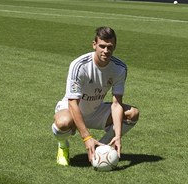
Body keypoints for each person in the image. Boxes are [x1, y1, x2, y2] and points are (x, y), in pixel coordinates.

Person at [51, 26, 140, 166]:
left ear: (114, 46)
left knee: (132, 113)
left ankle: (101, 147)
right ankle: (63, 146)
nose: (106, 51)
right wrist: (86, 137)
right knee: (63, 123)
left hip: (96, 111)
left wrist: (118, 136)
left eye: (109, 47)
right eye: (102, 46)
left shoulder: (119, 68)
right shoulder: (79, 65)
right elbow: (73, 103)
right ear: (94, 45)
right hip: (72, 109)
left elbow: (117, 104)